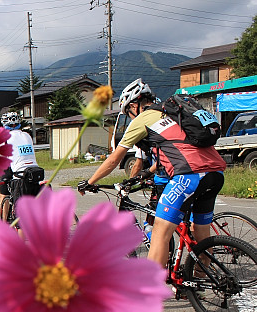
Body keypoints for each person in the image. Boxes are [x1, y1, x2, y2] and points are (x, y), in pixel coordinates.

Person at [78, 78, 226, 268]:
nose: (130, 117)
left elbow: (114, 159)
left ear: (134, 105)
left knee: (159, 233)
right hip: (216, 173)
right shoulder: (173, 114)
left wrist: (90, 181)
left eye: (128, 113)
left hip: (189, 176)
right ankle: (202, 275)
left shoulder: (143, 119)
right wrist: (147, 173)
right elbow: (174, 150)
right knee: (200, 229)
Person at [0, 111, 40, 220]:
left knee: (4, 193)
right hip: (35, 171)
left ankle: (4, 223)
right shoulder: (27, 135)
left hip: (19, 173)